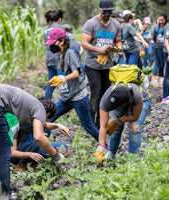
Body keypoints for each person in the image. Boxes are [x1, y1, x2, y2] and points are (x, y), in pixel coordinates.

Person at [0, 84, 68, 199]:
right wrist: (55, 155)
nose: (43, 121)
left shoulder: (28, 106)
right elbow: (39, 136)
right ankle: (6, 196)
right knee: (4, 152)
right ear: (46, 114)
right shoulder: (40, 109)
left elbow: (40, 125)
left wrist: (55, 125)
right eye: (45, 118)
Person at [44, 28, 100, 141]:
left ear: (62, 42)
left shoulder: (70, 54)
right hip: (65, 97)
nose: (52, 46)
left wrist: (63, 79)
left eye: (54, 43)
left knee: (88, 126)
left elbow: (76, 73)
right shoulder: (58, 57)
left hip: (78, 97)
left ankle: (107, 147)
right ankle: (45, 148)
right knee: (48, 120)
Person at [82, 0, 122, 128]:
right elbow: (84, 44)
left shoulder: (116, 25)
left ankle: (100, 123)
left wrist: (118, 48)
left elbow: (119, 42)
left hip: (108, 65)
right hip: (93, 64)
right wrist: (99, 50)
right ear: (99, 10)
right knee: (96, 92)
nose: (107, 14)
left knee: (105, 94)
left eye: (110, 11)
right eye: (105, 12)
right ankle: (90, 124)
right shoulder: (91, 24)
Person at [94, 80, 151, 162]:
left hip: (142, 101)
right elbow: (103, 126)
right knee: (115, 128)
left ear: (123, 105)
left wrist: (119, 120)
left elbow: (135, 116)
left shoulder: (137, 95)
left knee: (134, 128)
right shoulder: (106, 100)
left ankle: (132, 160)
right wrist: (101, 148)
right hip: (122, 101)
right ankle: (111, 154)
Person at [43, 9, 71, 99]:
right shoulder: (60, 28)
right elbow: (65, 44)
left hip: (48, 59)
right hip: (59, 60)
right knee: (63, 83)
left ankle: (47, 105)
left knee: (50, 84)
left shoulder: (45, 29)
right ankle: (65, 103)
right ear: (60, 19)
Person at [150, 13, 167, 87]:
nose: (161, 21)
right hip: (158, 47)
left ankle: (164, 79)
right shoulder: (156, 27)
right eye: (159, 20)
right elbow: (153, 36)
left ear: (165, 19)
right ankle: (159, 80)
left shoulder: (168, 27)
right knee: (160, 64)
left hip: (166, 48)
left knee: (164, 64)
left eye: (162, 20)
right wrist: (153, 42)